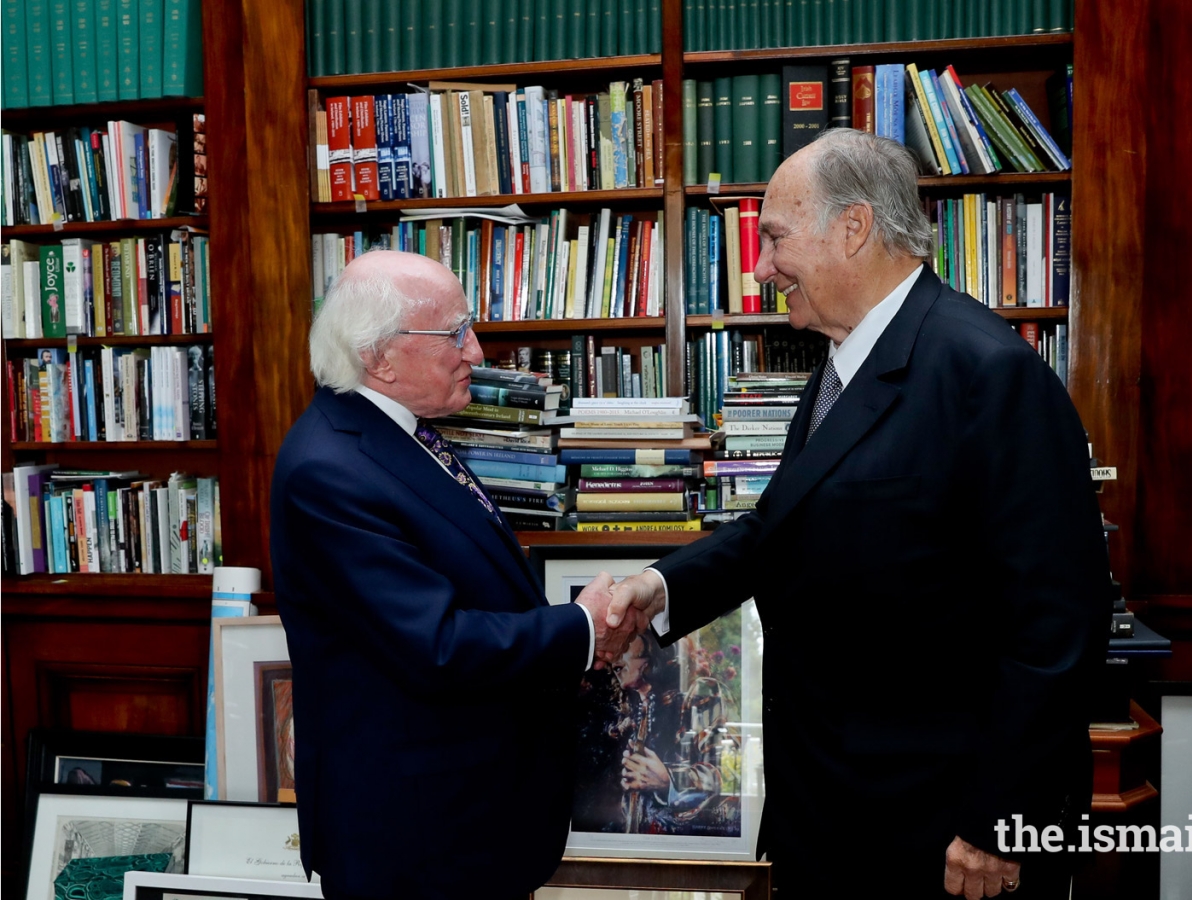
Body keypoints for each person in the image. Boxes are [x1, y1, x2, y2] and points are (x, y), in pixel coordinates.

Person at [602, 129, 1113, 899]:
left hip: (940, 832)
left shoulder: (988, 371)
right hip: (833, 810)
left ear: (853, 228)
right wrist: (659, 589)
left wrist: (1000, 820)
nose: (763, 267)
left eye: (774, 238)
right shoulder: (841, 368)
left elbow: (1058, 628)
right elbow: (774, 531)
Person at [270, 251, 638, 900]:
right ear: (379, 357)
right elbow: (435, 645)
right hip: (413, 844)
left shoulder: (399, 433)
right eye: (455, 332)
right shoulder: (328, 470)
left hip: (465, 825)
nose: (476, 348)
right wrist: (581, 629)